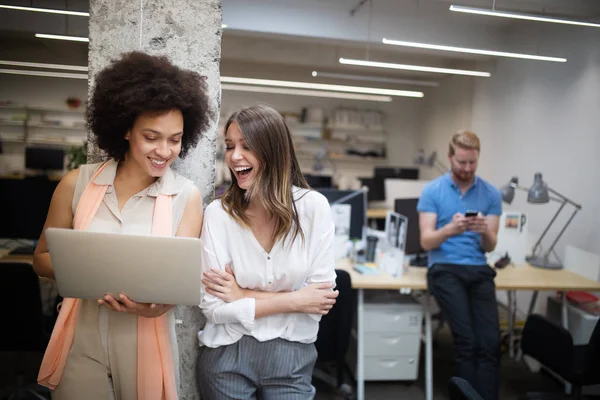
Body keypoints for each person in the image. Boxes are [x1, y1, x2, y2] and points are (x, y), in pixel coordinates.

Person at [33, 51, 210, 400]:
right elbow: (40, 258)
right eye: (152, 136)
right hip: (79, 335)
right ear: (126, 129)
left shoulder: (186, 198)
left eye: (175, 139)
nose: (164, 150)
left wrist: (154, 306)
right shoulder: (76, 184)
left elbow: (177, 286)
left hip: (144, 337)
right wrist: (86, 273)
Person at [197, 104, 339, 399]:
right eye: (229, 146)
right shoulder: (218, 214)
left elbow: (320, 301)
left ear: (273, 151)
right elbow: (212, 307)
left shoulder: (313, 208)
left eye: (247, 146)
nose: (235, 156)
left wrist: (242, 296)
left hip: (292, 357)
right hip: (227, 354)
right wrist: (297, 299)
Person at [417, 131, 502, 400]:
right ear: (450, 157)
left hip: (478, 269)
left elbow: (490, 247)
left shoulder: (491, 194)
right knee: (467, 341)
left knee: (489, 343)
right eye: (461, 162)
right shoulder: (433, 191)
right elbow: (427, 241)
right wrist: (450, 230)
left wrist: (485, 230)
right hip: (445, 269)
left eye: (472, 163)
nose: (466, 169)